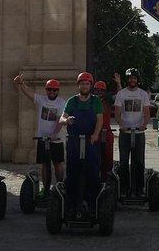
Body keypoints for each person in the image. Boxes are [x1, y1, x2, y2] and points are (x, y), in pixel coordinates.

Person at [13, 73, 66, 197]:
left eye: (54, 90)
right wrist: (21, 83)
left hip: (56, 139)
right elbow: (28, 93)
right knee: (45, 164)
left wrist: (54, 134)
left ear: (57, 91)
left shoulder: (61, 102)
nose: (51, 91)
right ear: (46, 90)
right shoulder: (42, 99)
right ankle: (46, 189)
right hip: (42, 138)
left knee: (58, 163)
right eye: (49, 89)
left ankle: (60, 186)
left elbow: (59, 121)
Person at [58, 72, 103, 213]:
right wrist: (67, 120)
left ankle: (91, 204)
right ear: (78, 85)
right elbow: (61, 119)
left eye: (87, 84)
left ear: (90, 86)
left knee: (92, 171)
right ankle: (71, 203)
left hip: (91, 141)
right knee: (73, 172)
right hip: (74, 141)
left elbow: (99, 120)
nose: (84, 86)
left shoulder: (95, 101)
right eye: (82, 83)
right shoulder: (72, 101)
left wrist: (96, 134)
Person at [113, 68, 150, 196]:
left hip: (139, 133)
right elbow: (117, 112)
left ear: (137, 80)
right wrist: (121, 124)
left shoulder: (143, 94)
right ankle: (124, 189)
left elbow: (147, 113)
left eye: (134, 78)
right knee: (123, 162)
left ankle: (139, 189)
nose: (132, 80)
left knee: (139, 162)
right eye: (130, 78)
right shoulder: (121, 94)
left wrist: (144, 125)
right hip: (125, 133)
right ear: (127, 80)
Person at [93, 79, 117, 181]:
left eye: (101, 90)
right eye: (97, 90)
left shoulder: (108, 100)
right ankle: (95, 177)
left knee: (107, 156)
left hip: (106, 132)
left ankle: (107, 178)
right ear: (94, 91)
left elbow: (119, 95)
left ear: (104, 91)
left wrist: (118, 83)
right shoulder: (91, 101)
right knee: (94, 156)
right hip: (94, 132)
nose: (99, 92)